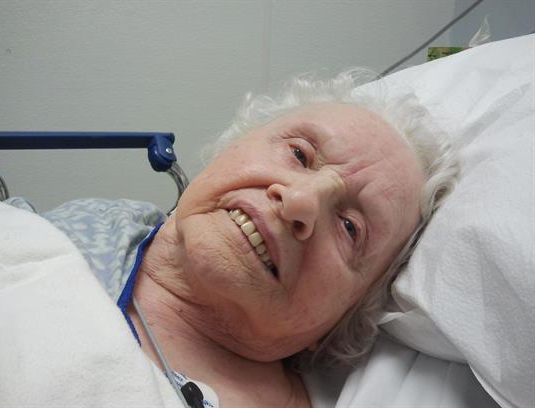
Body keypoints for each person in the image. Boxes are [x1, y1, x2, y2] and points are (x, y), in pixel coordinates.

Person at [123, 70, 459, 407]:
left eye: (350, 228)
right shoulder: (95, 233)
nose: (300, 201)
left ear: (346, 318)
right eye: (299, 154)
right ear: (232, 146)